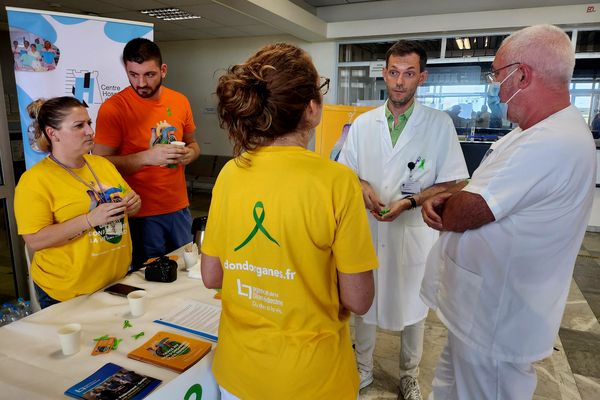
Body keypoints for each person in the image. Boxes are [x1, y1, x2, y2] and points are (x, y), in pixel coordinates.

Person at [420, 25, 596, 399]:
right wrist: (453, 194)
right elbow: (480, 185)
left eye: (498, 77)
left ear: (523, 75)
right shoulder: (532, 132)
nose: (496, 90)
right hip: (477, 309)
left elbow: (467, 211)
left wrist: (443, 201)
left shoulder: (551, 141)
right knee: (450, 388)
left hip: (497, 318)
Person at [201, 43, 378, 400]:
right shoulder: (337, 182)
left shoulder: (231, 174)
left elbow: (212, 276)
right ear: (311, 109)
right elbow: (359, 300)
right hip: (311, 379)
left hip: (238, 372)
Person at [338, 40, 468, 400]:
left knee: (415, 306)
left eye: (409, 74)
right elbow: (346, 173)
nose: (399, 81)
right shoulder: (363, 125)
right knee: (365, 304)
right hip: (369, 228)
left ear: (421, 78)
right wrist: (362, 186)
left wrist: (410, 202)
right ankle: (362, 369)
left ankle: (409, 374)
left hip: (412, 231)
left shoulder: (438, 124)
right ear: (384, 73)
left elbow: (455, 181)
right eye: (394, 72)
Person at [14, 97, 141, 308]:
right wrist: (89, 220)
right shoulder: (35, 180)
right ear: (52, 133)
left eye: (89, 123)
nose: (90, 131)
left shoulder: (102, 164)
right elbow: (35, 240)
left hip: (115, 280)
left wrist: (133, 204)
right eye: (79, 126)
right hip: (68, 291)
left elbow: (130, 207)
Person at [94, 38, 199, 268]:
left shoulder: (180, 101)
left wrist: (190, 154)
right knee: (149, 279)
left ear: (163, 70)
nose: (141, 83)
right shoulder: (114, 108)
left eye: (149, 75)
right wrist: (146, 157)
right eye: (133, 75)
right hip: (140, 214)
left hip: (179, 208)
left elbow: (193, 144)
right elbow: (98, 164)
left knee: (186, 270)